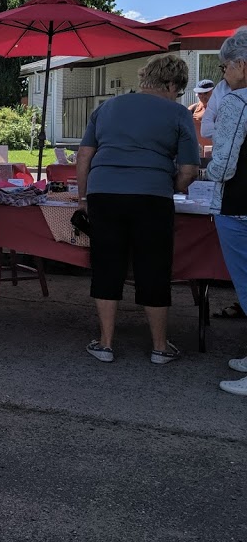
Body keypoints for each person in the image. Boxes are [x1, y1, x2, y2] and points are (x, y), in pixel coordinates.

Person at [76, 53, 199, 365]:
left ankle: (104, 343)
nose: (177, 96)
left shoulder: (106, 107)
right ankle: (160, 346)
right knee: (153, 268)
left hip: (104, 193)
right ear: (172, 84)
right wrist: (169, 185)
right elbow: (189, 170)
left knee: (107, 265)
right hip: (152, 196)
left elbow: (84, 156)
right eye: (178, 90)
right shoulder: (178, 113)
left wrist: (83, 197)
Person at [206, 30, 247, 395]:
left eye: (224, 67)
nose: (223, 74)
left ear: (242, 65)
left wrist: (208, 175)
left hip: (239, 204)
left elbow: (224, 162)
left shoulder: (238, 101)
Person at [189, 79, 214, 160]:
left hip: (216, 153)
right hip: (197, 154)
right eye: (200, 93)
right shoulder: (193, 109)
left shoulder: (221, 109)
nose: (203, 96)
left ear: (213, 92)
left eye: (206, 93)